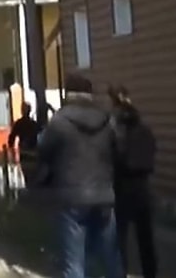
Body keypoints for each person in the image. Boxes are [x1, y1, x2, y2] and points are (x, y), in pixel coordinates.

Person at [36, 74, 125, 278]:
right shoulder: (107, 119)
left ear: (68, 93)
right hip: (104, 194)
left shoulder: (59, 121)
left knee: (74, 262)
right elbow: (119, 151)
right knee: (111, 255)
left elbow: (43, 151)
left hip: (71, 195)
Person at [109, 86, 158, 278]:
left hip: (122, 188)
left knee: (119, 239)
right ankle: (150, 273)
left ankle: (120, 273)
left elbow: (115, 158)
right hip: (143, 188)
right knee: (145, 239)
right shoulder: (145, 131)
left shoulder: (117, 133)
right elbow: (151, 153)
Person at [8, 102, 43, 190]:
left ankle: (30, 190)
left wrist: (11, 151)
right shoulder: (34, 124)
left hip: (24, 152)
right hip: (34, 152)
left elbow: (11, 139)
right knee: (34, 174)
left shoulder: (19, 124)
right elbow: (42, 134)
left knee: (27, 175)